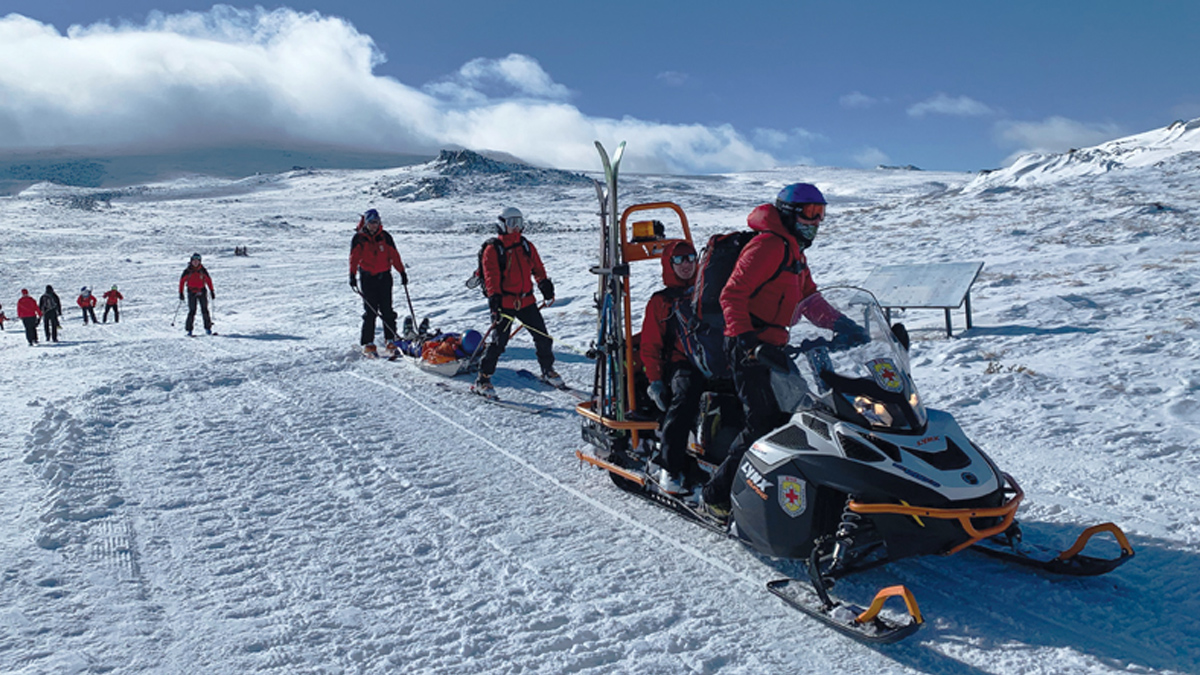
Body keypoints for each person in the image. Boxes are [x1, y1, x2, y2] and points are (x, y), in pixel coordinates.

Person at [701, 183, 864, 518]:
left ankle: (786, 488)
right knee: (762, 421)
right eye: (810, 213)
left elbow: (810, 301)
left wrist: (842, 324)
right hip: (747, 347)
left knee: (801, 418)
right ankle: (716, 495)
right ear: (789, 214)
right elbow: (732, 295)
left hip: (774, 348)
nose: (816, 222)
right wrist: (748, 340)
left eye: (821, 213)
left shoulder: (794, 252)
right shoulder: (768, 246)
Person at [640, 240, 706, 495]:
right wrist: (655, 381)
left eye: (690, 257)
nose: (686, 264)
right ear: (669, 264)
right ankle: (669, 467)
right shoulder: (660, 302)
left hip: (710, 361)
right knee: (686, 398)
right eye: (678, 260)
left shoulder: (706, 292)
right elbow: (650, 346)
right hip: (679, 363)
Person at [473, 207, 559, 396]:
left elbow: (537, 267)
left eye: (519, 222)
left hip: (526, 301)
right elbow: (491, 276)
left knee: (543, 337)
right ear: (502, 224)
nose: (516, 227)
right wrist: (494, 299)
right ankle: (483, 379)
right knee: (499, 342)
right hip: (504, 303)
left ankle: (547, 370)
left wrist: (544, 284)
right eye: (512, 223)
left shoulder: (526, 245)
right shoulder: (493, 249)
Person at [349, 208, 407, 357]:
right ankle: (368, 343)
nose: (374, 225)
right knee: (371, 311)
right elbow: (354, 258)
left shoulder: (385, 237)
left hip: (385, 277)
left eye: (376, 222)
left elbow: (394, 255)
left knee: (387, 309)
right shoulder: (359, 238)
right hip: (368, 278)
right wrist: (352, 275)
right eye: (371, 222)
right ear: (366, 223)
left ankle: (390, 339)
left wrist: (402, 272)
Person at [179, 253, 215, 336]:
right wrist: (181, 292)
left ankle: (208, 329)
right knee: (192, 311)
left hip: (202, 291)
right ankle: (189, 330)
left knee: (205, 310)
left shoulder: (203, 270)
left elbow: (208, 280)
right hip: (192, 292)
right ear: (191, 261)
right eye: (194, 261)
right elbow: (182, 282)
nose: (195, 262)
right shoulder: (187, 271)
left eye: (197, 261)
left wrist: (212, 290)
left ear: (199, 262)